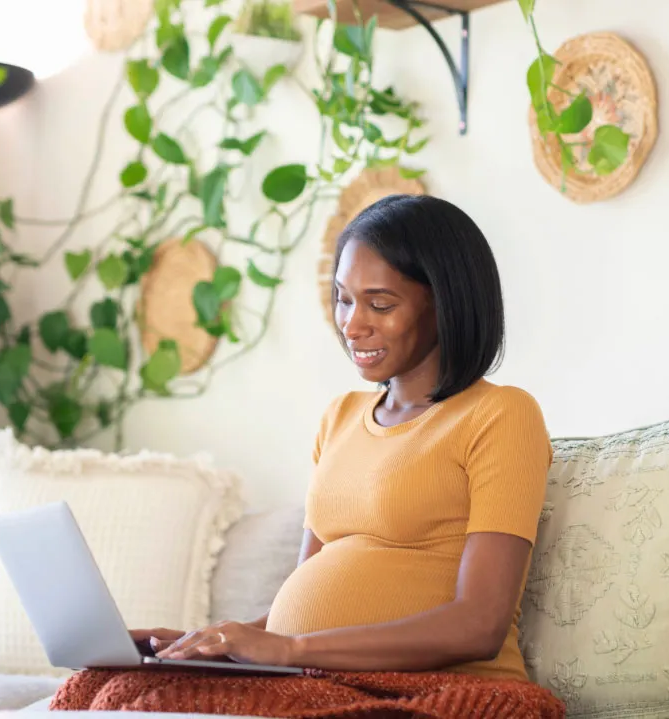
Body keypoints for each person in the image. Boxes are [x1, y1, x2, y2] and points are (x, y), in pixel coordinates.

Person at [132, 194, 552, 683]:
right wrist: (200, 644)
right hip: (317, 679)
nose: (352, 324)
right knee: (124, 683)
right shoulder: (340, 417)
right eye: (344, 298)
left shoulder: (499, 414)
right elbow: (292, 618)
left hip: (444, 692)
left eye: (380, 303)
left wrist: (290, 649)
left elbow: (479, 625)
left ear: (446, 302)